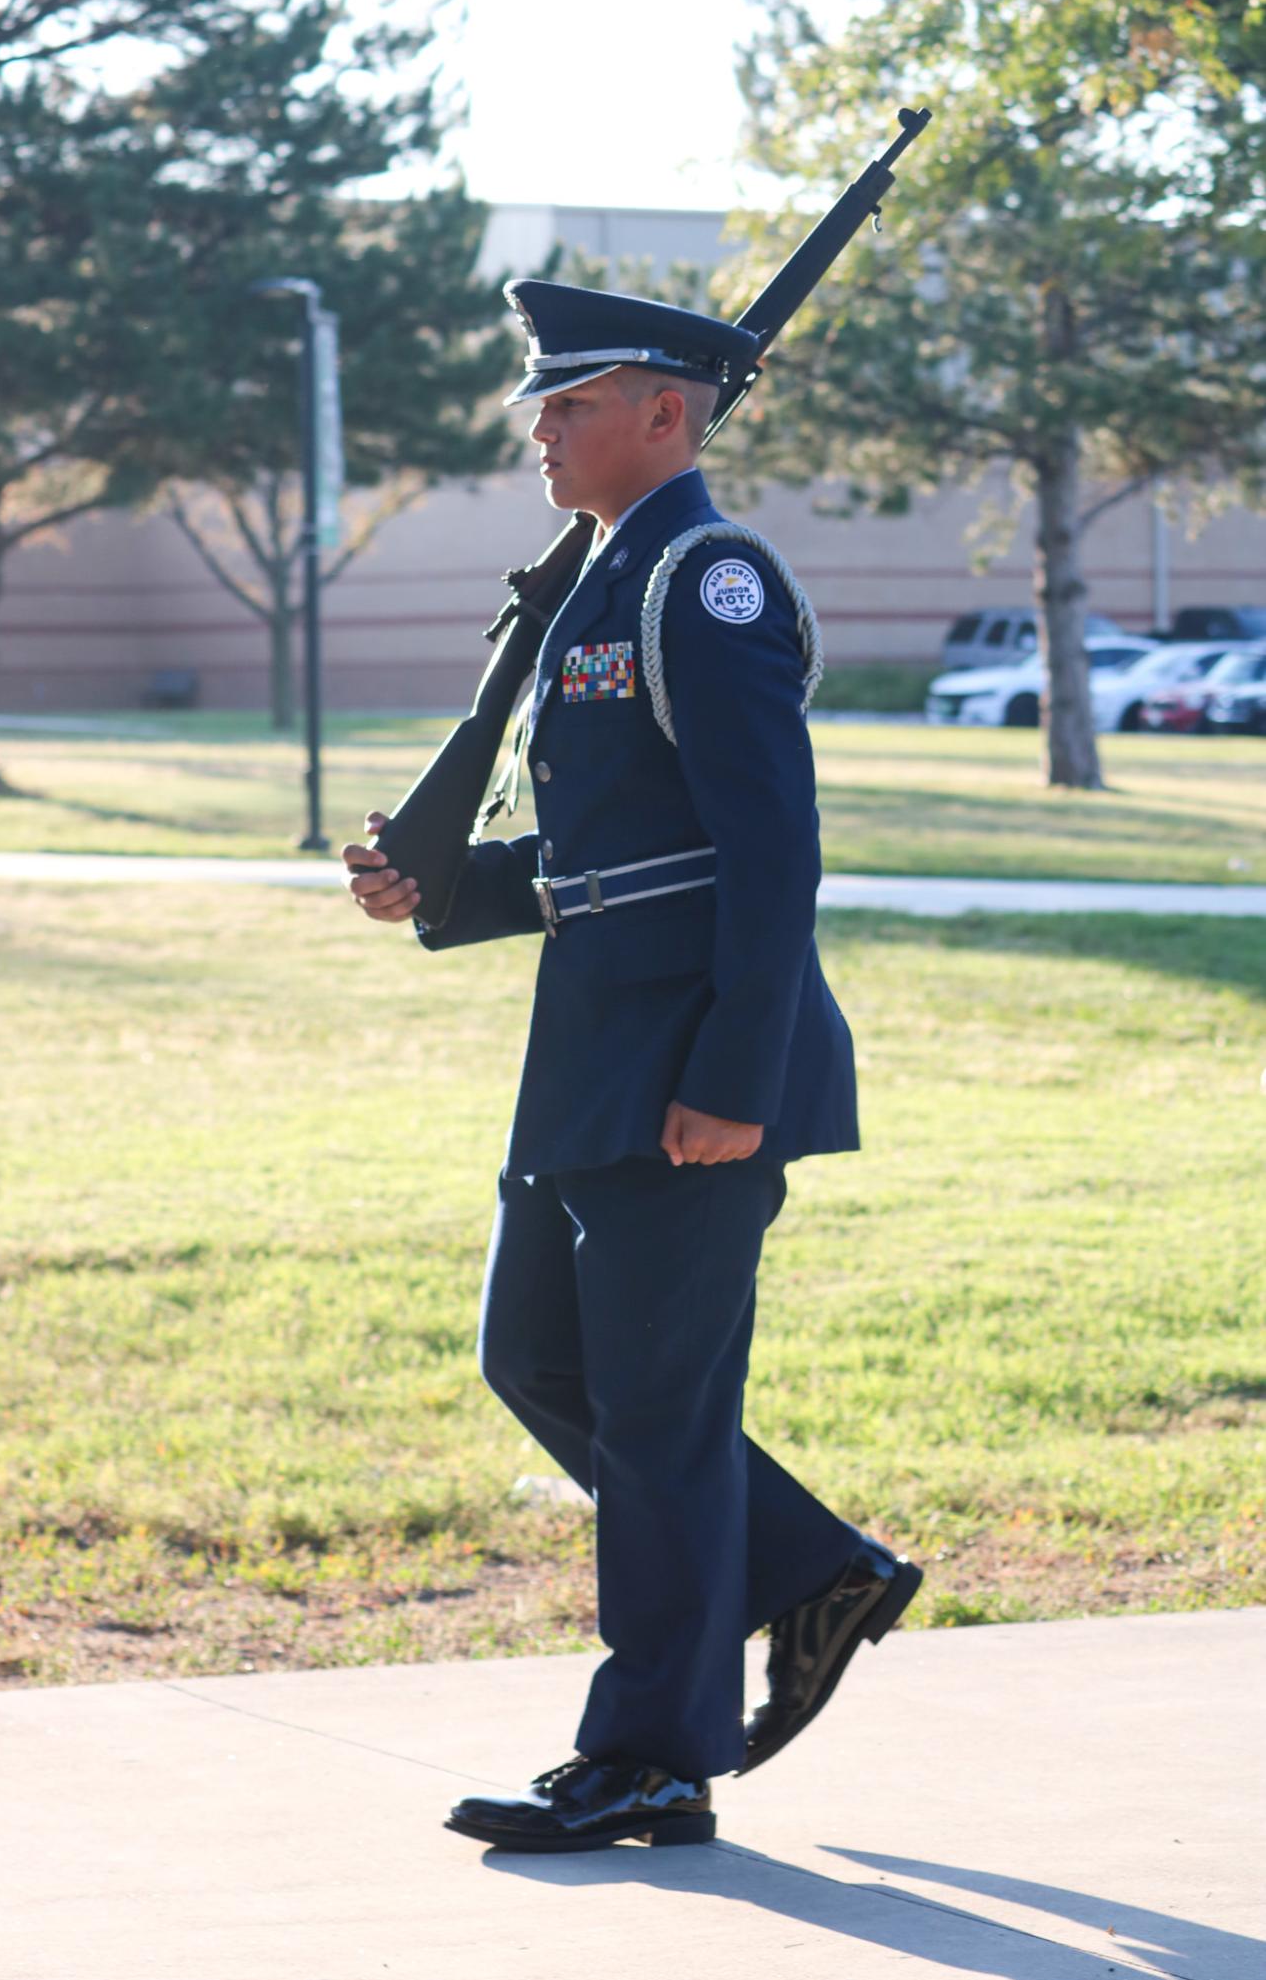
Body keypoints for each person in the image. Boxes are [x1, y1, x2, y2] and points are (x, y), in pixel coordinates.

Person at [344, 280, 922, 1854]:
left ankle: (653, 1756)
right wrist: (444, 888)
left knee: (658, 1415)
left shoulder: (704, 582)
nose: (540, 427)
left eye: (569, 400)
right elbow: (614, 851)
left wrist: (735, 1077)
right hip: (591, 1055)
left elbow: (768, 849)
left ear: (664, 412)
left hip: (695, 1066)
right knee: (534, 1356)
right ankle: (811, 1570)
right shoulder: (605, 581)